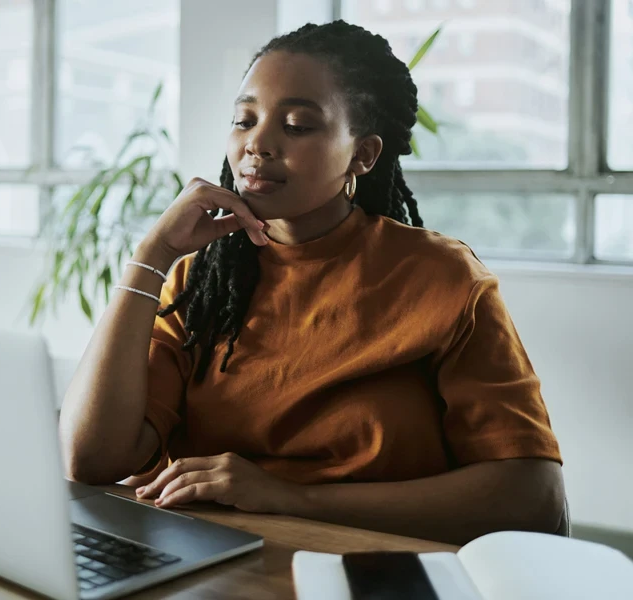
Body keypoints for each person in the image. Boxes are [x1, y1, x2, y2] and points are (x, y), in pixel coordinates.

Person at [59, 20, 565, 545]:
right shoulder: (201, 278)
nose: (257, 143)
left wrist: (287, 497)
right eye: (243, 119)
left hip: (369, 566)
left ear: (363, 155)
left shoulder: (442, 278)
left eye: (297, 125)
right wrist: (151, 256)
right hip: (212, 560)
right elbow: (91, 460)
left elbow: (532, 496)